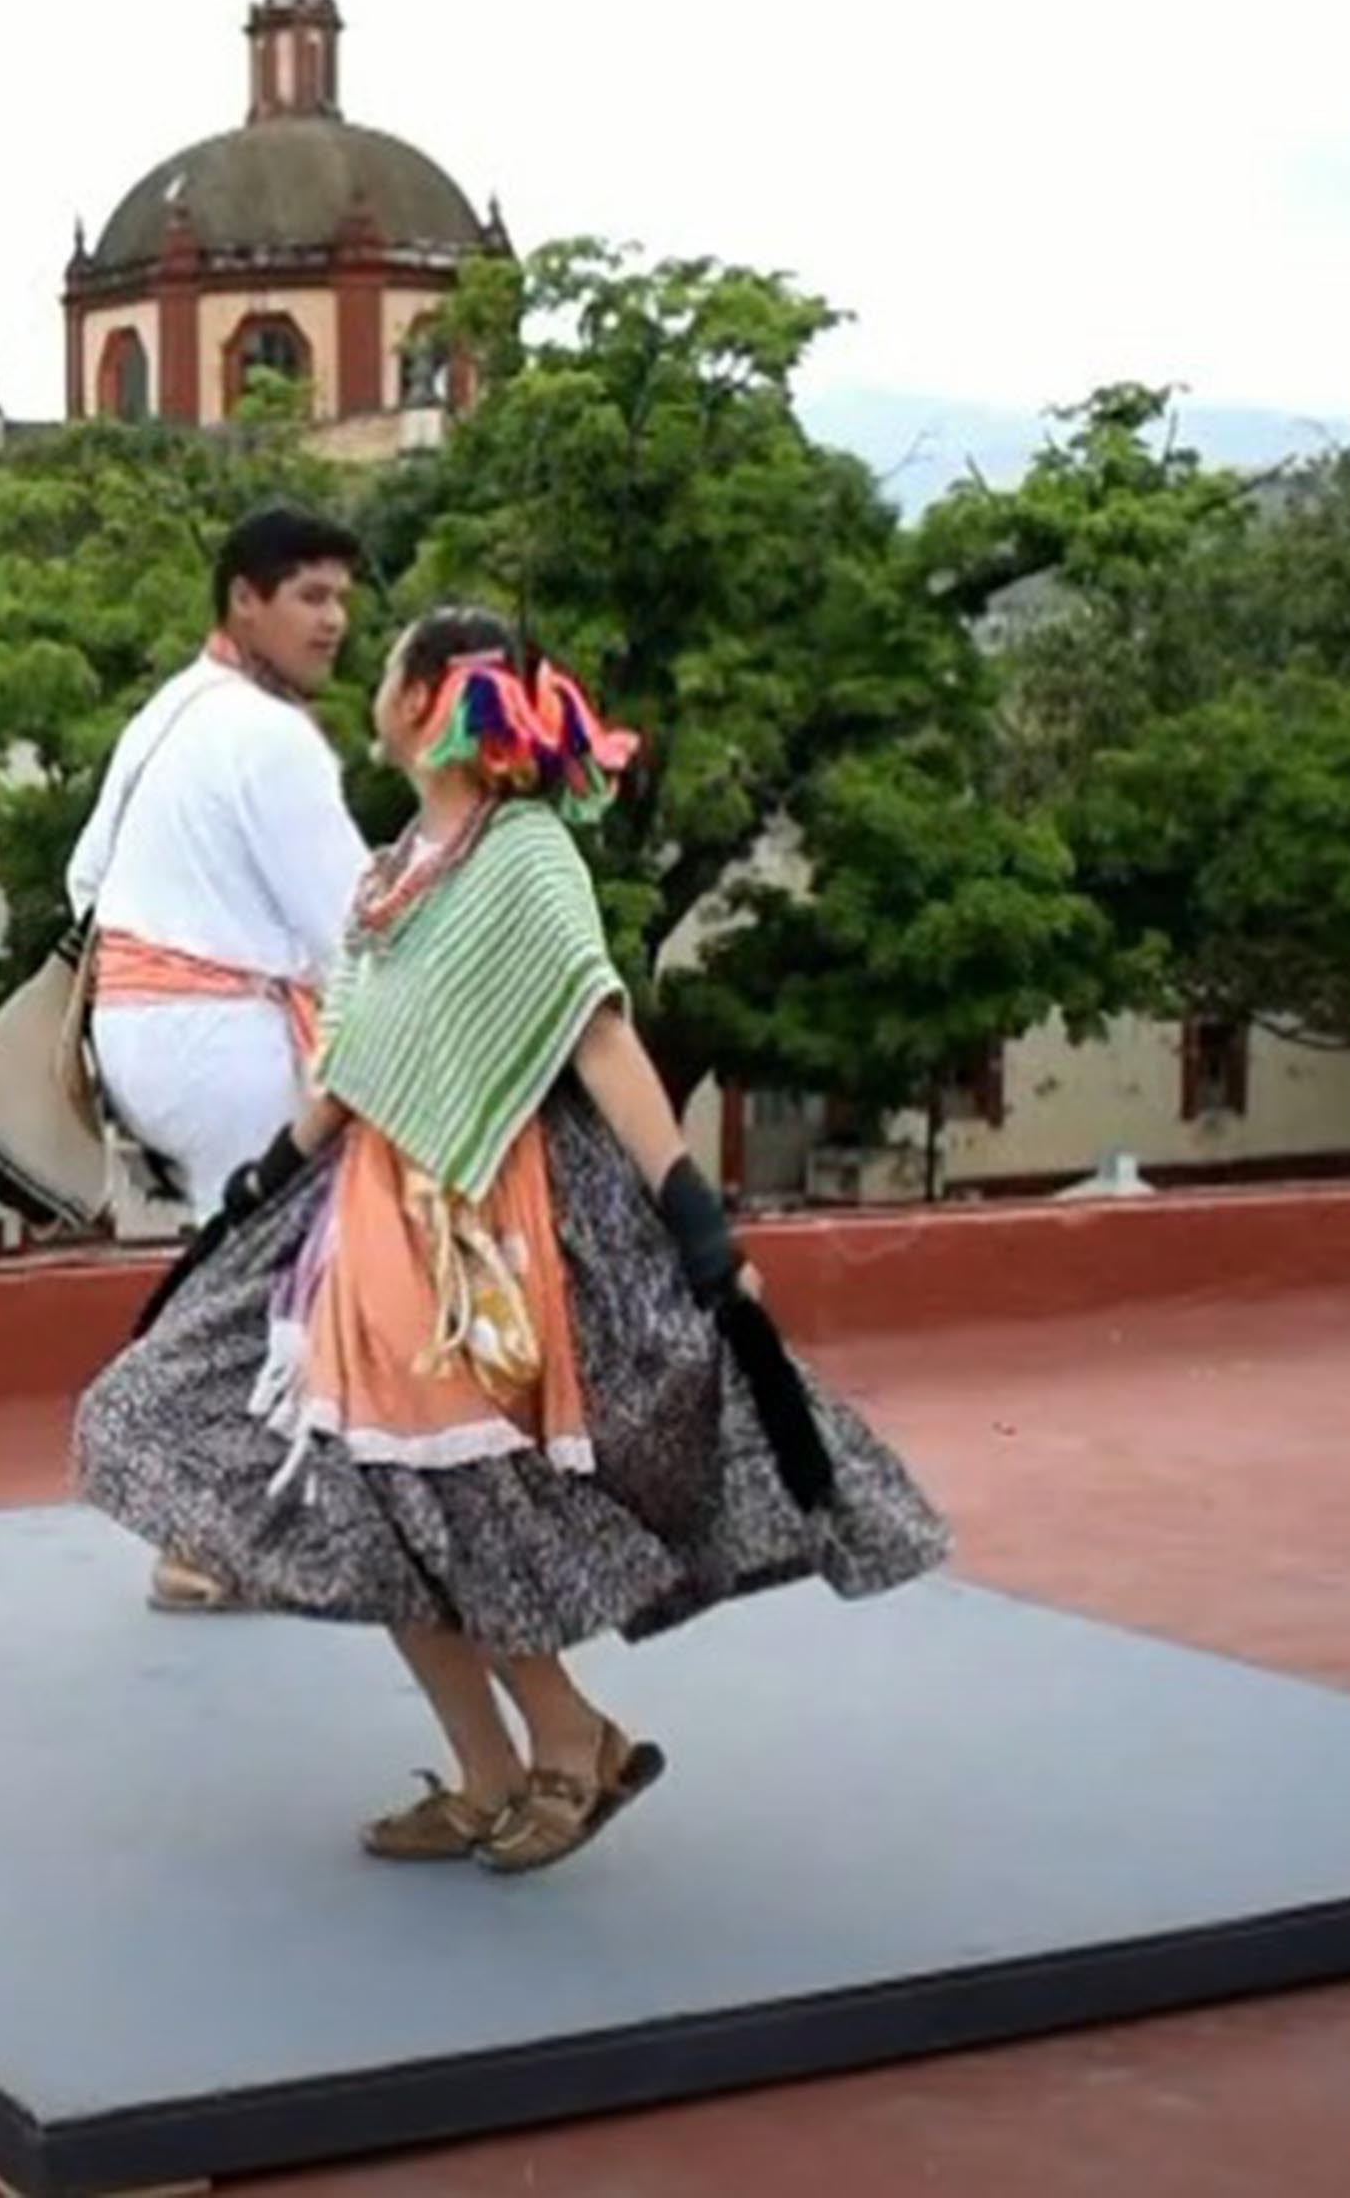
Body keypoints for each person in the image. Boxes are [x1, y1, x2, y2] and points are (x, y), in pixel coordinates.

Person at [73, 608, 948, 1875]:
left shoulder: (525, 854)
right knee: (374, 1502)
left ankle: (563, 1740)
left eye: (388, 670)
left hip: (483, 1222)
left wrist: (691, 1212)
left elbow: (595, 1031)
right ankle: (503, 1765)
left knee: (448, 1496)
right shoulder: (393, 869)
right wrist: (267, 1172)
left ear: (429, 696)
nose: (368, 681)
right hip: (364, 1216)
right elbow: (358, 1048)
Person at [71, 504, 378, 1611]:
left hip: (145, 1028)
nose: (332, 620)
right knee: (266, 1282)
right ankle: (199, 1537)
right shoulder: (270, 738)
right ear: (242, 600)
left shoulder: (169, 709)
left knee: (241, 1265)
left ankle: (221, 1524)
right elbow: (353, 922)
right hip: (225, 1040)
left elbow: (81, 875)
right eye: (308, 595)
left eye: (339, 597)